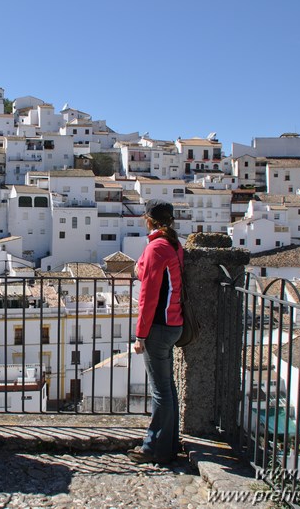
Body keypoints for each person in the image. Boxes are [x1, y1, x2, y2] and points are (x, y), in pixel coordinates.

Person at [128, 199, 184, 465]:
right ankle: (169, 444)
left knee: (160, 391)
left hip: (158, 329)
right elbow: (146, 270)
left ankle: (154, 449)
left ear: (148, 219)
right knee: (168, 388)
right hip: (174, 325)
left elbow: (148, 296)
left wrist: (140, 336)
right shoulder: (173, 245)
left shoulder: (156, 248)